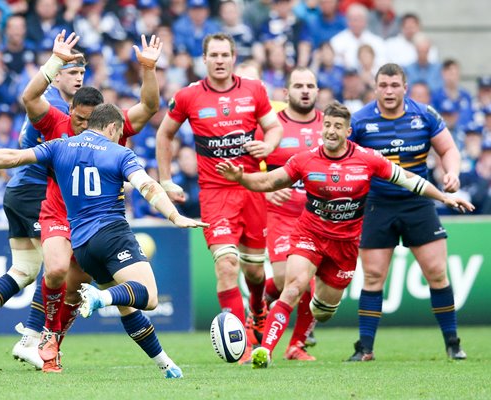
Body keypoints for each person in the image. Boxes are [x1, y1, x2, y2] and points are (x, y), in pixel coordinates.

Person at [0, 103, 209, 379]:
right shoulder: (120, 153)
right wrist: (175, 216)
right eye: (118, 132)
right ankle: (100, 298)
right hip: (112, 234)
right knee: (147, 297)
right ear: (112, 127)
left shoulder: (60, 146)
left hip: (81, 245)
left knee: (125, 304)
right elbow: (147, 185)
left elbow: (12, 157)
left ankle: (165, 364)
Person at [215, 101, 474, 369]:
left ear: (348, 131)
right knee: (292, 287)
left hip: (345, 245)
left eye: (337, 126)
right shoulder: (305, 159)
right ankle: (265, 351)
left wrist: (443, 197)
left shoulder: (367, 159)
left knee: (322, 312)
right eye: (327, 125)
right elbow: (269, 181)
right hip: (310, 234)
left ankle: (312, 313)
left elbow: (409, 179)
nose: (330, 131)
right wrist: (241, 177)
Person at [19, 31, 162, 372]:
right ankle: (37, 334)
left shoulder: (114, 128)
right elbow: (29, 96)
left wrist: (148, 69)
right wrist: (54, 61)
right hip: (57, 211)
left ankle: (52, 341)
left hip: (92, 223)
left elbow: (150, 107)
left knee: (75, 287)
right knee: (53, 268)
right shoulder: (55, 121)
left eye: (90, 120)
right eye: (79, 120)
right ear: (69, 110)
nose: (84, 126)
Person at [0, 30, 87, 371]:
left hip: (21, 191)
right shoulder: (52, 107)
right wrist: (53, 62)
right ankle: (31, 339)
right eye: (72, 72)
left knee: (24, 269)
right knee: (59, 266)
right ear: (57, 77)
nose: (79, 78)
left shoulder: (65, 108)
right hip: (35, 193)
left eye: (82, 73)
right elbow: (20, 142)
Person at [156, 32, 283, 364]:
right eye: (214, 55)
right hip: (215, 195)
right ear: (204, 59)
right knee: (227, 266)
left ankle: (257, 309)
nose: (220, 60)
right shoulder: (188, 96)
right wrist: (166, 180)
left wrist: (267, 146)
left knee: (255, 274)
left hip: (253, 189)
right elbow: (164, 133)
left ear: (234, 56)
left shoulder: (254, 90)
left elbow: (274, 128)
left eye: (225, 54)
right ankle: (238, 343)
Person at [347, 63, 468, 361]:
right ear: (375, 88)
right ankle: (365, 348)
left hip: (419, 203)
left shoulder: (424, 115)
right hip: (377, 204)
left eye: (394, 85)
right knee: (373, 276)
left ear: (405, 87)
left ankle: (453, 343)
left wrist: (452, 173)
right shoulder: (360, 121)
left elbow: (449, 150)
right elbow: (343, 159)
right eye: (383, 86)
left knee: (437, 273)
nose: (389, 91)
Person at [262, 67, 323, 361]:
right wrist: (265, 189)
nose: (305, 90)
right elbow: (247, 164)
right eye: (298, 85)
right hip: (282, 216)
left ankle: (295, 345)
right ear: (286, 93)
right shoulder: (272, 126)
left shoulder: (329, 127)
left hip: (318, 220)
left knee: (309, 286)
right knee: (291, 277)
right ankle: (263, 296)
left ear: (317, 91)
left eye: (310, 85)